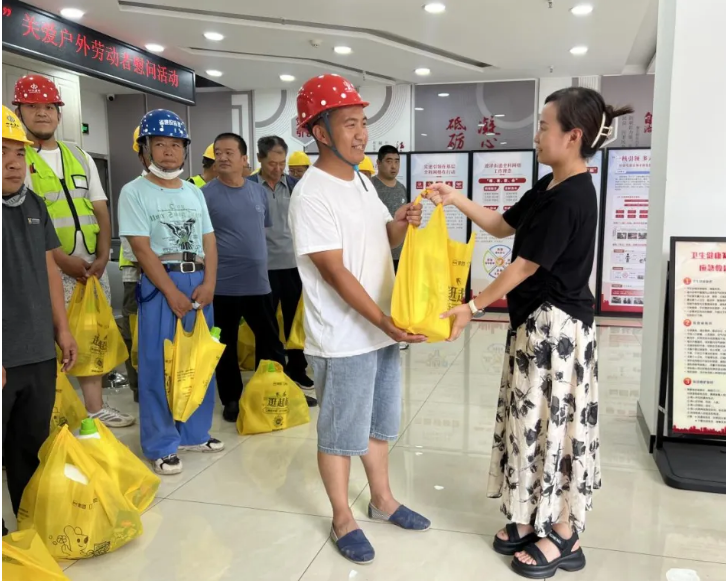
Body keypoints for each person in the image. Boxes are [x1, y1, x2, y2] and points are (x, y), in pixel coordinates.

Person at [425, 87, 632, 578]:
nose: (536, 135)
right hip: (533, 325)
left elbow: (522, 266)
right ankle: (532, 513)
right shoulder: (550, 185)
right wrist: (456, 198)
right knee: (531, 423)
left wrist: (471, 305)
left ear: (573, 135)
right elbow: (500, 226)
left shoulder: (574, 195)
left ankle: (563, 530)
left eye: (544, 125)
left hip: (557, 331)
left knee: (556, 428)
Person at [290, 74, 430, 565]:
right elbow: (334, 272)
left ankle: (383, 499)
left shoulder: (364, 182)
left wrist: (402, 221)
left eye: (362, 122)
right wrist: (384, 321)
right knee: (340, 433)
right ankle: (341, 517)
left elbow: (382, 241)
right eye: (349, 123)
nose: (361, 133)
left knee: (378, 424)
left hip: (379, 329)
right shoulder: (312, 194)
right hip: (343, 337)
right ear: (321, 132)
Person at [14, 74, 134, 428]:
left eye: (49, 106)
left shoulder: (78, 155)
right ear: (18, 110)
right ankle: (54, 414)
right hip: (48, 267)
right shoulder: (18, 159)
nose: (42, 113)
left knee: (91, 338)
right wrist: (62, 262)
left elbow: (100, 208)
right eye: (33, 106)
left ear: (58, 113)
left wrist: (101, 257)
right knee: (49, 342)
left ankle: (94, 409)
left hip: (90, 269)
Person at [118, 109, 224, 475]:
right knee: (157, 365)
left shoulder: (194, 191)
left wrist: (210, 282)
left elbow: (209, 239)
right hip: (161, 282)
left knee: (199, 358)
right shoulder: (134, 192)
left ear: (185, 151)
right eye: (159, 144)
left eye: (175, 145)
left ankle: (194, 432)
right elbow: (142, 249)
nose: (168, 152)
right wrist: (170, 292)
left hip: (198, 281)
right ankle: (161, 443)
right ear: (145, 149)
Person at [202, 133, 317, 423]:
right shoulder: (204, 195)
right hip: (224, 284)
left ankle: (271, 389)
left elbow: (259, 232)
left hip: (259, 282)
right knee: (225, 344)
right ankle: (231, 399)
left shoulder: (257, 194)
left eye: (229, 152)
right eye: (219, 152)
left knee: (271, 342)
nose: (223, 157)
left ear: (244, 159)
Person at [2, 105, 78, 535]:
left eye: (19, 153)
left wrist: (62, 329)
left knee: (28, 445)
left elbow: (49, 267)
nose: (14, 162)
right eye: (3, 152)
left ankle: (28, 523)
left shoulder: (33, 203)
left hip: (35, 350)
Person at [249, 136, 314, 389]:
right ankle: (265, 374)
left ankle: (298, 369)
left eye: (282, 163)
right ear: (260, 159)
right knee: (265, 327)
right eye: (272, 163)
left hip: (294, 266)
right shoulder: (249, 186)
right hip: (262, 269)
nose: (278, 168)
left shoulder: (297, 186)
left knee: (294, 324)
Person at [371, 145, 410, 350]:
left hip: (400, 252)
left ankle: (398, 333)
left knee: (398, 295)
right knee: (379, 295)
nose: (393, 166)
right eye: (389, 161)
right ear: (378, 163)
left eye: (396, 161)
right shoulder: (370, 187)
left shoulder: (401, 188)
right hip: (378, 254)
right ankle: (379, 332)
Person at [116, 126, 144, 402]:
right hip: (135, 276)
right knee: (135, 334)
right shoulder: (133, 192)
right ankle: (138, 387)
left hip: (165, 275)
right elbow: (132, 243)